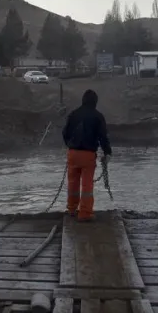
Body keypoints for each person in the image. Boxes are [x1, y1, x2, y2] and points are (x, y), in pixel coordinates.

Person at [61, 89, 112, 221]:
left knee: (72, 182)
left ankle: (71, 209)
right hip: (88, 154)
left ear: (83, 100)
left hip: (72, 153)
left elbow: (65, 133)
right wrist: (107, 152)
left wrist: (70, 145)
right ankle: (85, 213)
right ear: (95, 102)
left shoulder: (73, 114)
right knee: (87, 185)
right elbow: (103, 137)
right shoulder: (98, 116)